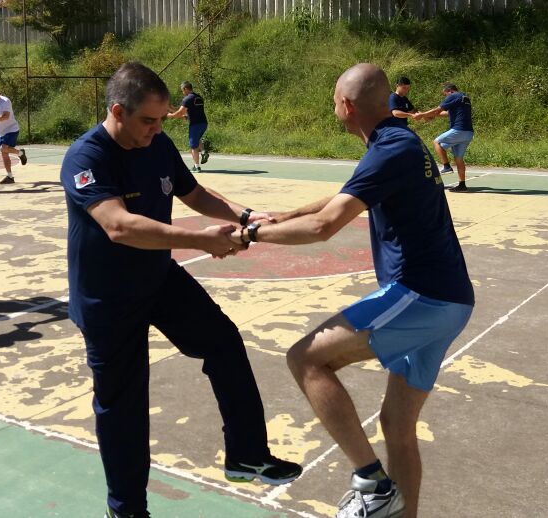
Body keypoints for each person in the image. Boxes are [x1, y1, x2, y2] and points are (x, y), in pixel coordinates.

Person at [228, 63, 474, 518]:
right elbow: (344, 195)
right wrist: (282, 217)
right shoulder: (395, 142)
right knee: (397, 426)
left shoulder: (390, 149)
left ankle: (371, 482)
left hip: (421, 295)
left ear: (345, 106)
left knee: (306, 358)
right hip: (450, 300)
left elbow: (324, 226)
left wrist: (249, 237)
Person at [60, 62, 301, 518]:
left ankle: (246, 454)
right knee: (124, 405)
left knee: (224, 342)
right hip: (107, 297)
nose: (156, 129)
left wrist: (246, 214)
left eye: (162, 119)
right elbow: (118, 225)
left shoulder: (157, 143)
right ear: (117, 111)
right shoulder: (86, 157)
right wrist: (200, 239)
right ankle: (127, 510)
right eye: (147, 121)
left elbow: (194, 193)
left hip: (157, 278)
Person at [418, 83, 475, 193]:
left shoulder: (453, 96)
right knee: (458, 158)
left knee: (437, 142)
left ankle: (446, 166)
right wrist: (430, 115)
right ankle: (462, 185)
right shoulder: (464, 97)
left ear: (450, 91)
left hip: (459, 130)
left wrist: (423, 115)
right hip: (468, 133)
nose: (446, 97)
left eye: (445, 94)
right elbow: (447, 113)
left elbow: (437, 110)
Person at [166, 80, 209, 172]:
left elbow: (180, 112)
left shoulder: (187, 99)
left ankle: (196, 167)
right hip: (203, 123)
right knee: (197, 139)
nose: (182, 92)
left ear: (185, 89)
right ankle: (204, 152)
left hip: (195, 125)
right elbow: (186, 111)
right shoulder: (198, 97)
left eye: (182, 90)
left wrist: (170, 115)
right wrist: (171, 108)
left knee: (193, 146)